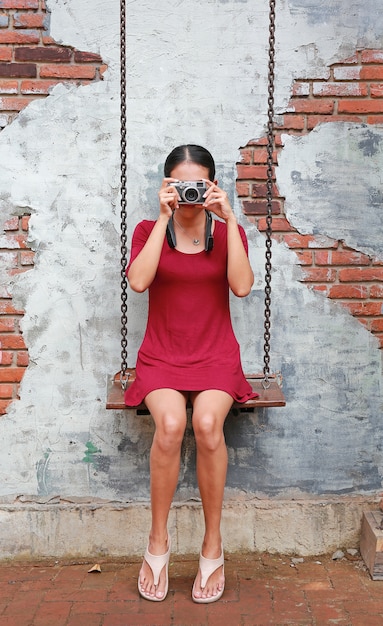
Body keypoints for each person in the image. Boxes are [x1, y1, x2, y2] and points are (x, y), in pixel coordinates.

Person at [125, 144, 258, 603]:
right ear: (166, 186)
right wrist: (163, 217)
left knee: (206, 425)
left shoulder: (224, 234)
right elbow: (139, 281)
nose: (188, 194)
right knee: (170, 425)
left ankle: (212, 544)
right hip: (162, 355)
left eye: (197, 185)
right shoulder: (147, 229)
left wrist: (232, 221)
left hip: (215, 354)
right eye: (180, 185)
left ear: (212, 186)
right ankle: (157, 543)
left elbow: (242, 287)